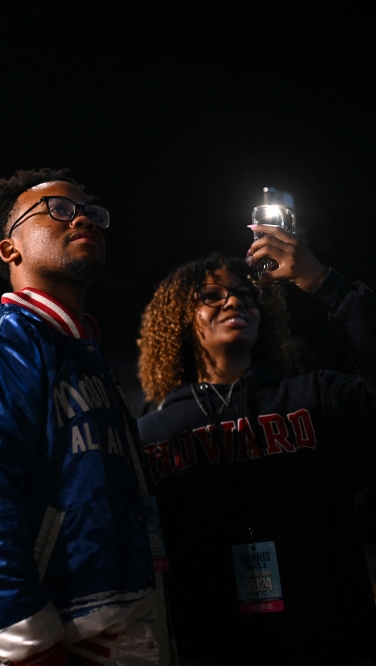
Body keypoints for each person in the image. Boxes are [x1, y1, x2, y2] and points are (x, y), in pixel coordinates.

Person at [0, 169, 171, 666]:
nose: (83, 219)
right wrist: (29, 642)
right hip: (44, 641)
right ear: (11, 250)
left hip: (109, 624)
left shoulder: (80, 352)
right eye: (58, 209)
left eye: (91, 212)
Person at [136, 230, 376, 665]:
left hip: (330, 645)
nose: (233, 302)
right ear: (179, 320)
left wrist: (322, 282)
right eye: (211, 295)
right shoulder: (149, 436)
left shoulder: (316, 397)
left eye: (246, 295)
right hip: (208, 648)